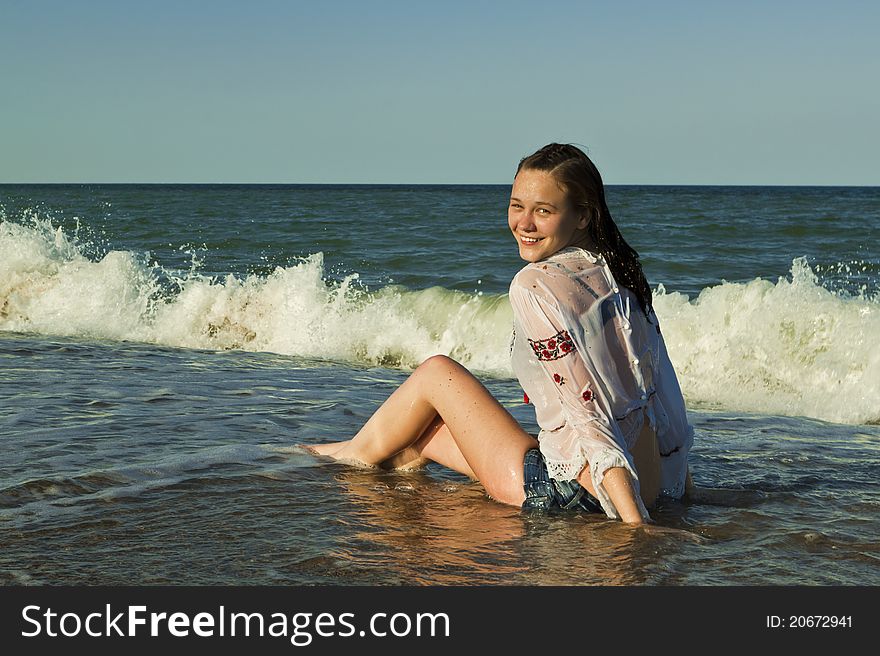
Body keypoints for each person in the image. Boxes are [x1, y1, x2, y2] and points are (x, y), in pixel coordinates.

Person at [310, 143, 694, 524]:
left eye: (543, 210)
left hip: (574, 494)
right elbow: (661, 402)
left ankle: (333, 460)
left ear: (582, 216)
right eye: (516, 205)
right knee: (422, 436)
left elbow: (588, 412)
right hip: (650, 486)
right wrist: (682, 493)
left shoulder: (535, 284)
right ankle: (369, 457)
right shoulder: (622, 274)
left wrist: (635, 526)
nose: (524, 224)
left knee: (436, 373)